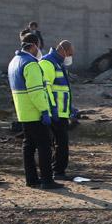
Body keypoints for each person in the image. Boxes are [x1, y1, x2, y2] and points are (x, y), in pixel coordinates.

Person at [8, 34, 62, 190]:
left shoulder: (14, 62)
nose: (39, 50)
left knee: (29, 146)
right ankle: (47, 180)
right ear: (33, 45)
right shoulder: (30, 64)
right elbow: (36, 92)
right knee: (45, 146)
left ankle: (31, 179)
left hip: (23, 113)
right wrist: (45, 110)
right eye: (38, 46)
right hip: (35, 112)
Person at [39, 40, 79, 181]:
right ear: (63, 50)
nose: (70, 57)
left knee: (60, 143)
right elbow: (46, 88)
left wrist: (70, 108)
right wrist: (52, 108)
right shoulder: (48, 63)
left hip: (62, 112)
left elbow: (62, 90)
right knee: (60, 144)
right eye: (70, 54)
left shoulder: (57, 64)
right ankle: (58, 172)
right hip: (54, 112)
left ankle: (57, 171)